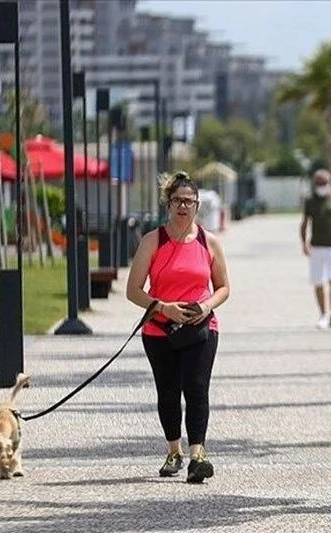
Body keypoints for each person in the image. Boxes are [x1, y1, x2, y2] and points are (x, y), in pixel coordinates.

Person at [126, 171, 230, 483]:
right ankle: (174, 450)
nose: (183, 207)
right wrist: (163, 307)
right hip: (159, 331)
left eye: (189, 201)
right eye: (177, 201)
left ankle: (198, 454)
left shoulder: (209, 242)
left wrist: (207, 305)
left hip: (200, 328)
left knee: (197, 389)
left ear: (198, 206)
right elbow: (133, 290)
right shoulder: (152, 241)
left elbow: (223, 287)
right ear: (168, 205)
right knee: (168, 392)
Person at [301, 169, 331, 329]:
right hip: (316, 246)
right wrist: (304, 243)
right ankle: (323, 313)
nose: (321, 186)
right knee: (318, 281)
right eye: (318, 183)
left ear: (329, 183)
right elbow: (304, 223)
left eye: (324, 183)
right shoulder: (310, 201)